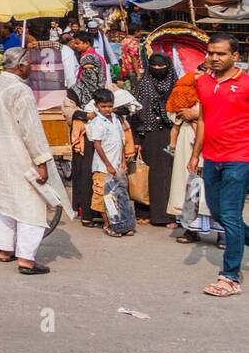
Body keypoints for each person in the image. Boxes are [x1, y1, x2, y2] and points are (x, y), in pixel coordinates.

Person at [0, 48, 71, 274]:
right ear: (20, 66)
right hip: (20, 155)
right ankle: (26, 259)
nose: (32, 68)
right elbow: (31, 130)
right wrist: (41, 160)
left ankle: (5, 249)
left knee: (5, 201)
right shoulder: (20, 90)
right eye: (29, 64)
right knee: (32, 205)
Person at [191, 33, 249, 297]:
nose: (214, 58)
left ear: (235, 56)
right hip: (211, 158)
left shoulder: (246, 84)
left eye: (221, 53)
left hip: (239, 158)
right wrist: (196, 154)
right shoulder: (202, 83)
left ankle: (229, 277)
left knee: (230, 215)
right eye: (211, 53)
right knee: (217, 214)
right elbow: (202, 120)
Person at [166, 65, 209, 243]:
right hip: (187, 136)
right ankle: (191, 228)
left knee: (212, 184)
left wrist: (198, 113)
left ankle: (223, 231)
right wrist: (185, 114)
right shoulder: (184, 88)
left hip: (215, 135)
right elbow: (172, 110)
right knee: (188, 182)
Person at [66, 30, 106, 225]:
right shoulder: (75, 90)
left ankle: (102, 211)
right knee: (84, 173)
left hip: (104, 140)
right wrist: (83, 115)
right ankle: (86, 211)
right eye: (86, 68)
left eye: (92, 68)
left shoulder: (106, 91)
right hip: (84, 138)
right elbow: (67, 109)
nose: (89, 72)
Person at [133, 53, 176, 228]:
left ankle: (167, 216)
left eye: (161, 67)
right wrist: (136, 138)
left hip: (170, 133)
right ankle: (144, 212)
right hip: (147, 134)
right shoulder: (144, 84)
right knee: (145, 173)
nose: (158, 70)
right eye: (154, 66)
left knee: (166, 175)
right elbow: (135, 111)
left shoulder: (176, 85)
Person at [88, 89, 134, 237]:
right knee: (103, 197)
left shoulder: (116, 119)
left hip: (117, 166)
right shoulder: (96, 123)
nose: (107, 109)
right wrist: (108, 165)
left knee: (119, 195)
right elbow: (97, 145)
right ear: (97, 106)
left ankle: (122, 224)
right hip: (102, 167)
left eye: (110, 106)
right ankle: (108, 224)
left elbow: (121, 141)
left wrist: (122, 161)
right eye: (104, 106)